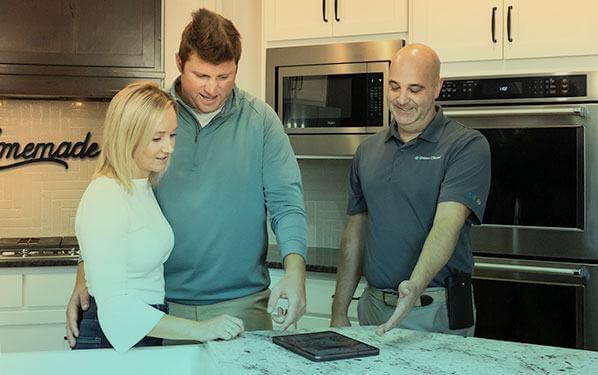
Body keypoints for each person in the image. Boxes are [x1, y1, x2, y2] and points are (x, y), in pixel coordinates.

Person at [66, 8, 307, 347]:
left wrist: (296, 274)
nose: (212, 89)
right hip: (163, 310)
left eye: (224, 77)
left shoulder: (261, 121)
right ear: (180, 63)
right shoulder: (153, 117)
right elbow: (112, 209)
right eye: (201, 76)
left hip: (242, 304)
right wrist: (86, 278)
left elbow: (287, 203)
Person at [330, 44, 491, 337]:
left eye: (415, 89)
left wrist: (413, 290)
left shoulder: (466, 146)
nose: (402, 99)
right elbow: (355, 234)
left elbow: (446, 226)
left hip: (434, 311)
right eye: (394, 87)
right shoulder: (367, 151)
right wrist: (339, 312)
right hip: (372, 307)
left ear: (437, 88)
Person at [72, 82, 244, 352]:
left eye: (172, 135)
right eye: (157, 138)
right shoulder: (106, 194)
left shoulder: (141, 187)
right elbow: (116, 309)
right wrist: (202, 329)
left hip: (144, 330)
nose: (169, 147)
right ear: (127, 136)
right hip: (110, 339)